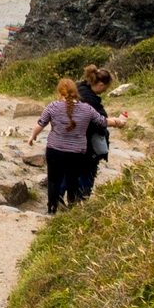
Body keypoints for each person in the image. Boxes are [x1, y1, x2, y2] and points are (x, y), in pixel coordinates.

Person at [29, 77, 107, 213]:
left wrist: (32, 137)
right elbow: (102, 121)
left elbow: (40, 123)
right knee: (73, 181)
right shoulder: (87, 109)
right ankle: (72, 209)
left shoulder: (53, 106)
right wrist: (117, 121)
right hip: (77, 152)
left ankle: (51, 210)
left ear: (60, 93)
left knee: (54, 181)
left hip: (55, 149)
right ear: (75, 92)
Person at [74, 65, 131, 200]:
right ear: (100, 84)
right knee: (87, 171)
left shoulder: (78, 87)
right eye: (105, 87)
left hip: (70, 136)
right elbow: (95, 120)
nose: (105, 90)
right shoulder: (90, 99)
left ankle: (60, 197)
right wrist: (115, 122)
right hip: (86, 140)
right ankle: (81, 199)